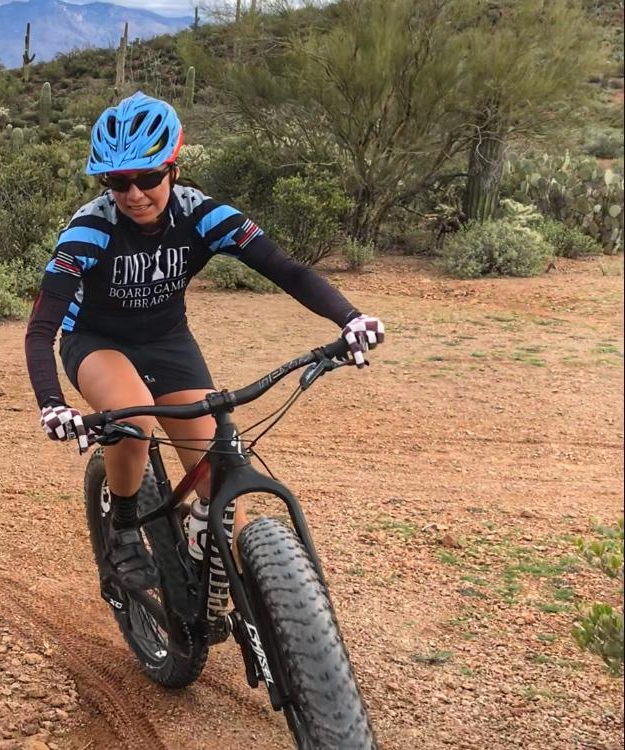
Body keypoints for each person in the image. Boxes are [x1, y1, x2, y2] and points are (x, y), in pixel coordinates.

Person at [24, 92, 383, 591]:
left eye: (148, 177)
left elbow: (286, 269)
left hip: (168, 342)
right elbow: (42, 327)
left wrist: (350, 318)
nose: (133, 194)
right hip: (96, 342)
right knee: (134, 421)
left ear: (173, 168)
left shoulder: (202, 216)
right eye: (117, 181)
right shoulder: (88, 231)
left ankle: (204, 544)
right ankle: (123, 527)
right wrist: (51, 405)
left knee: (218, 476)